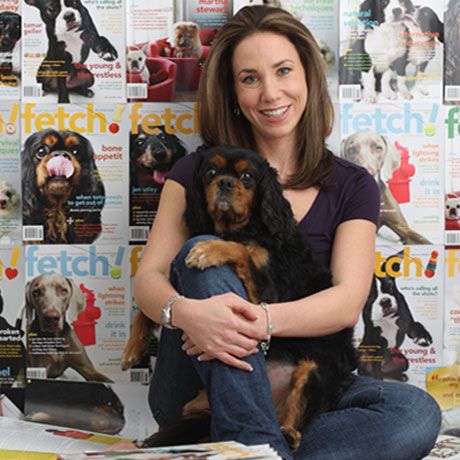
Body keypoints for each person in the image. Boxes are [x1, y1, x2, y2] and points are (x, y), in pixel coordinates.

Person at [134, 5, 441, 460]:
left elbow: (346, 302)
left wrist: (263, 322)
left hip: (297, 370)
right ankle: (257, 442)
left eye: (283, 71)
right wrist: (187, 315)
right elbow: (149, 279)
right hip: (199, 373)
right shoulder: (195, 169)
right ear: (233, 91)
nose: (271, 92)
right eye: (250, 78)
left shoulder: (352, 183)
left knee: (415, 411)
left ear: (308, 78)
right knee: (205, 250)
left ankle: (252, 446)